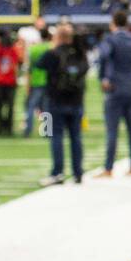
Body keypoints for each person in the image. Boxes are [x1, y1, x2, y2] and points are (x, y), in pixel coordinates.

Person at [94, 10, 131, 177]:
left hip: (115, 88)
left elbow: (104, 56)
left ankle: (108, 168)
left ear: (113, 22)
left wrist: (104, 77)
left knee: (112, 130)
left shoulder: (110, 39)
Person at [36, 23, 88, 186]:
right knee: (76, 137)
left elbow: (38, 64)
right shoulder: (79, 54)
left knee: (56, 137)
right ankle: (78, 173)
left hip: (55, 101)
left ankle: (57, 172)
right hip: (76, 101)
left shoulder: (53, 53)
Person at [22, 25, 52, 137]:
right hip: (48, 82)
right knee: (46, 108)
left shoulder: (33, 49)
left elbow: (28, 68)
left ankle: (28, 130)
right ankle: (47, 132)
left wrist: (28, 84)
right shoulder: (51, 48)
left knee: (30, 107)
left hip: (35, 81)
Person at [0, 29, 20, 135]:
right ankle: (7, 128)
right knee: (8, 107)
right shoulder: (13, 50)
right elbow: (16, 66)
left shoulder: (9, 50)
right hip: (8, 82)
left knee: (2, 107)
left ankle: (3, 128)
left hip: (2, 82)